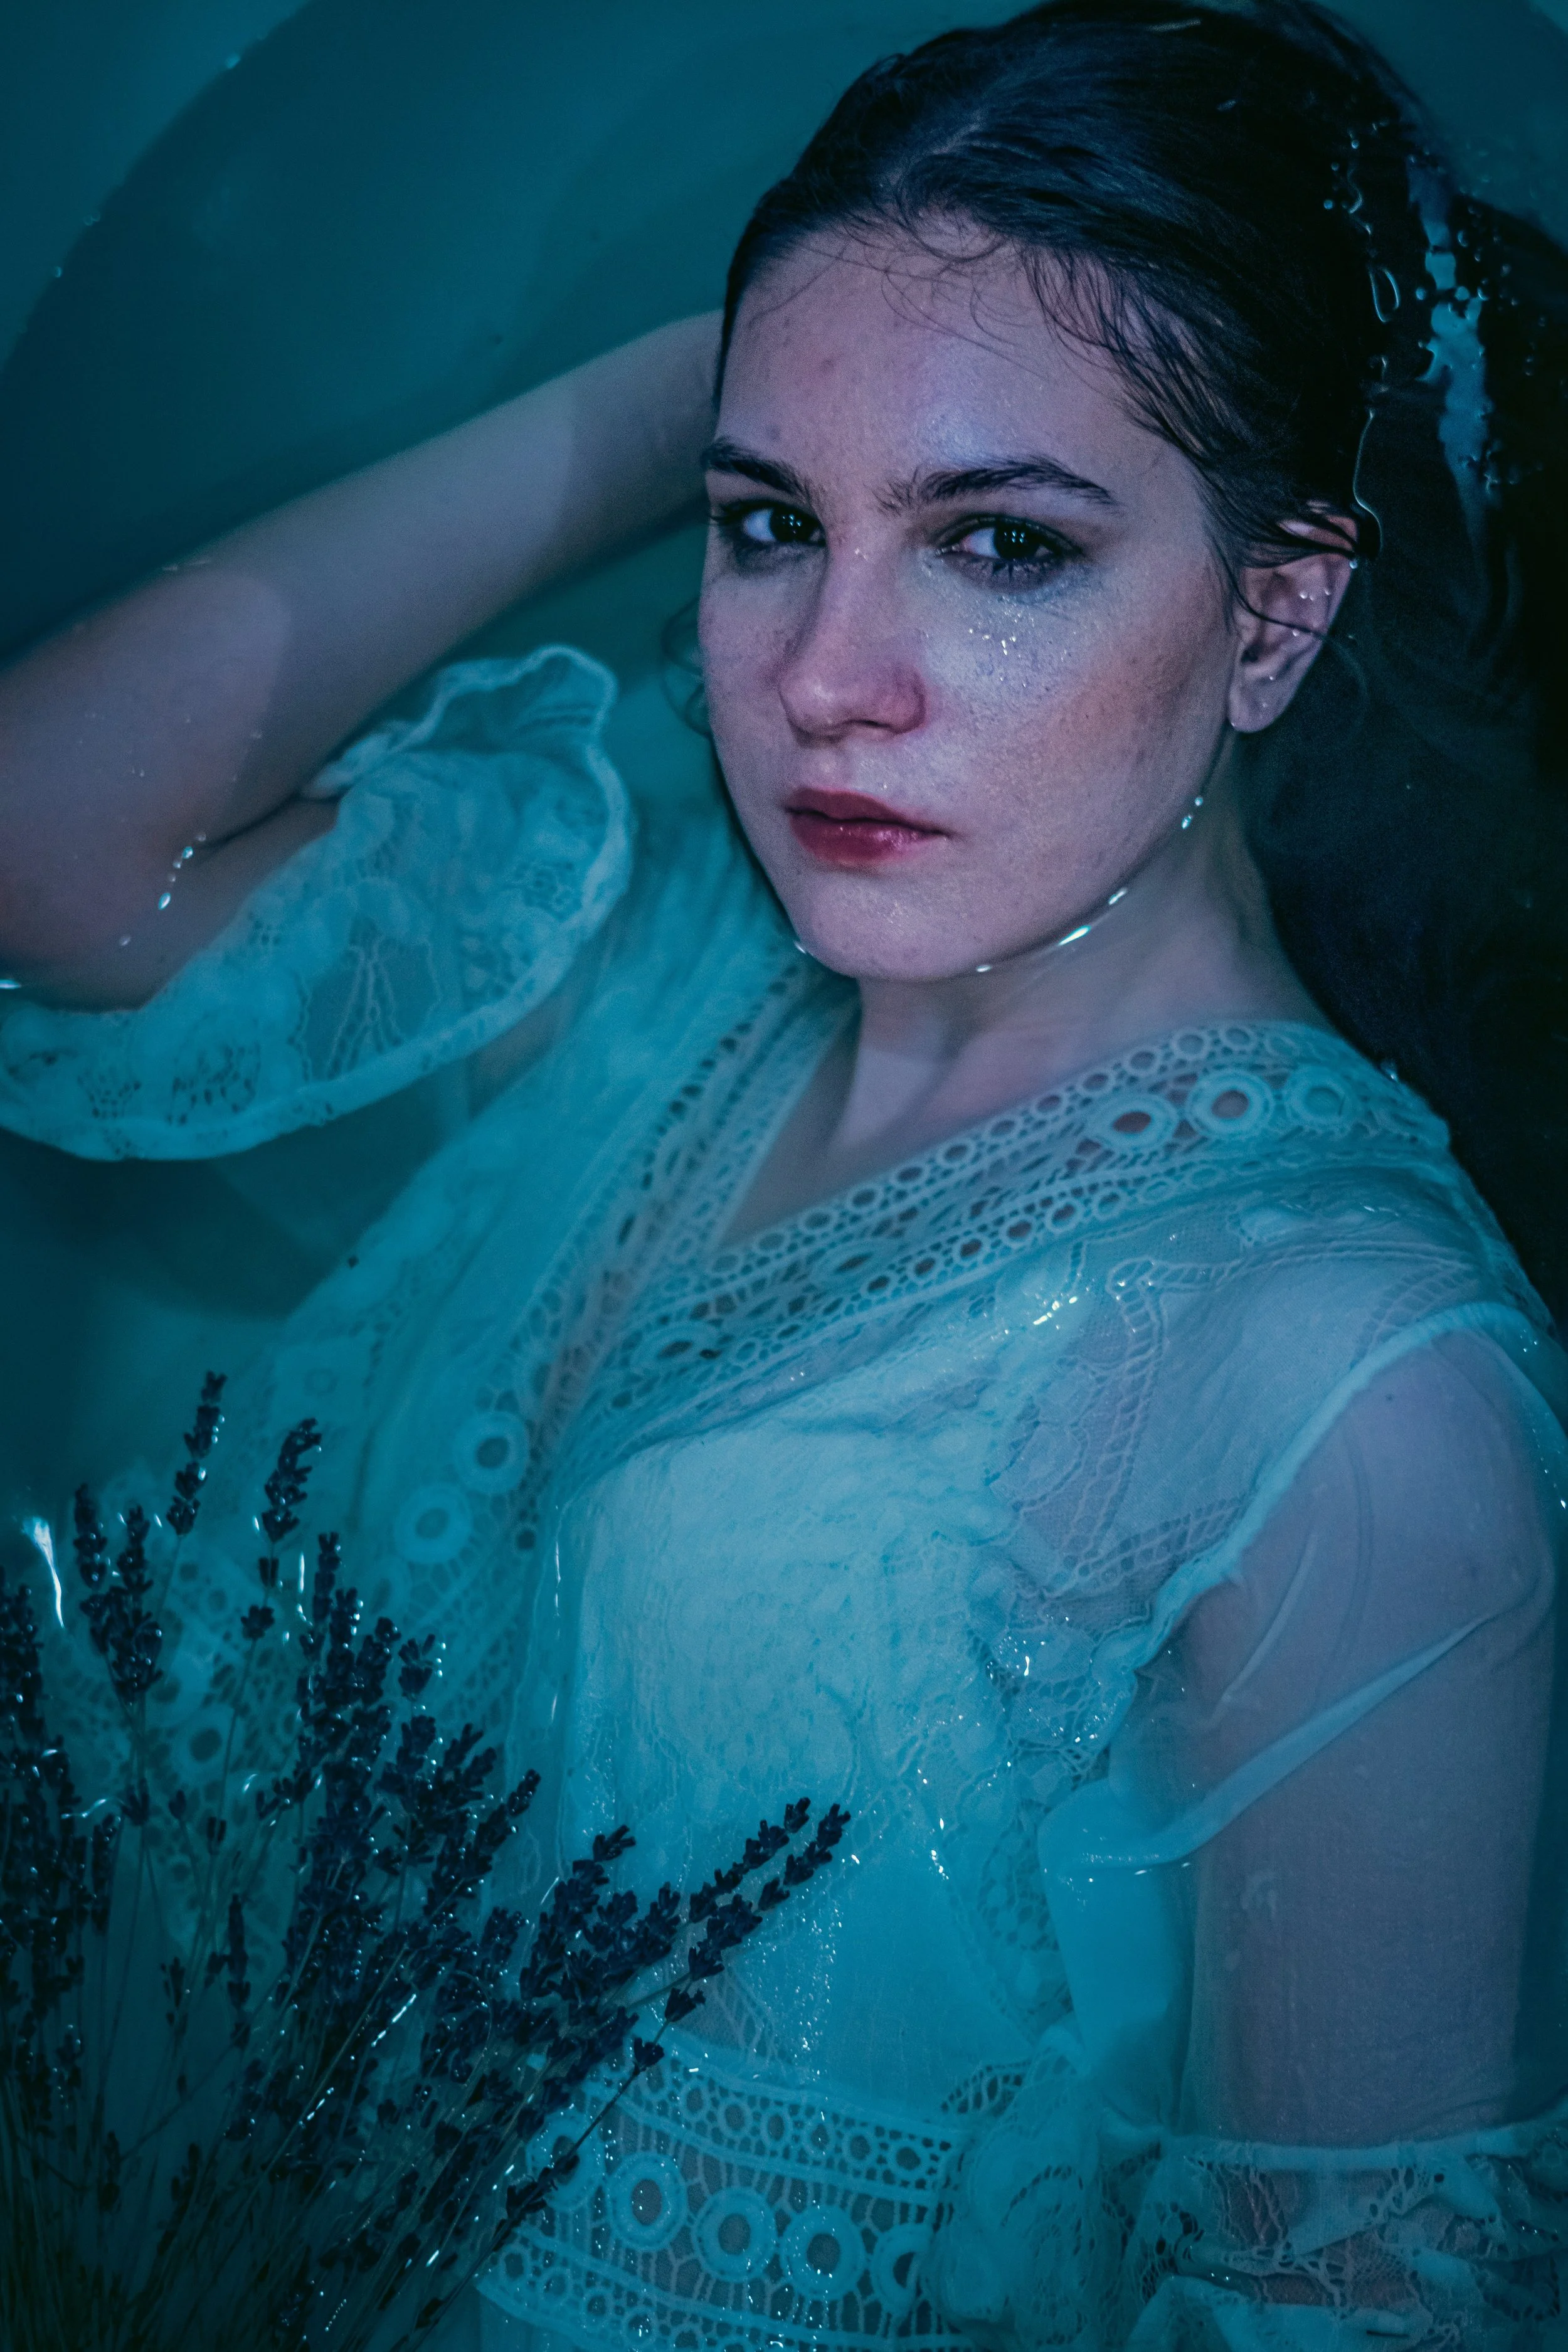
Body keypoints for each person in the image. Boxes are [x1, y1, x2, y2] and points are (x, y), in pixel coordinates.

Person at [3, 0, 1568, 2341]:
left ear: (1273, 612)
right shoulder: (662, 951)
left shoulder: (1348, 1370)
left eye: (1000, 546)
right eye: (767, 529)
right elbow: (51, 849)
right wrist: (706, 391)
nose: (828, 676)